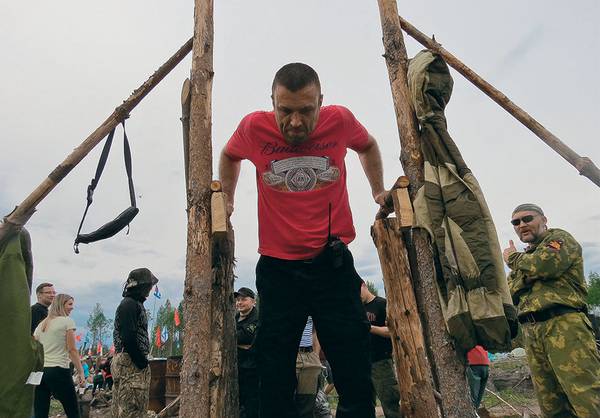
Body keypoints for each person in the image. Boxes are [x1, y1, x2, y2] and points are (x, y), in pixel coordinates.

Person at [219, 62, 384, 418]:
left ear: (321, 103)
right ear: (273, 103)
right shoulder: (253, 127)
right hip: (279, 270)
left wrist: (378, 191)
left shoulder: (340, 121)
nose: (295, 122)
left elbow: (368, 145)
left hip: (333, 265)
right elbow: (230, 155)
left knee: (353, 363)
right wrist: (227, 200)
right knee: (273, 371)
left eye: (306, 111)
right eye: (286, 111)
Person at [503, 203, 600, 417]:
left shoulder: (559, 239)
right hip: (532, 330)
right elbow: (512, 290)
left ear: (544, 220)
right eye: (516, 222)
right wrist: (527, 268)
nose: (522, 225)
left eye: (527, 219)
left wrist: (513, 258)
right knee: (551, 404)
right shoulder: (528, 257)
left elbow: (545, 265)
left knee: (585, 394)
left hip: (564, 325)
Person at [111, 268, 158, 418]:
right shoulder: (129, 304)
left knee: (128, 408)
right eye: (149, 285)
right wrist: (141, 362)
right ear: (142, 286)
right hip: (131, 363)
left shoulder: (133, 304)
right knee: (132, 408)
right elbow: (128, 337)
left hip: (129, 361)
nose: (150, 289)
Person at [33, 293, 86, 418]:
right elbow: (72, 349)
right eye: (70, 304)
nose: (72, 307)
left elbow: (35, 349)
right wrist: (81, 372)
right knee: (72, 410)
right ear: (61, 305)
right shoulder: (67, 322)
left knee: (40, 411)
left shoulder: (41, 325)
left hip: (41, 372)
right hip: (58, 369)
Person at [360, 281, 401, 418]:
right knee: (364, 404)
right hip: (362, 363)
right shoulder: (357, 308)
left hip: (381, 360)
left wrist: (370, 328)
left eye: (357, 292)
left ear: (364, 286)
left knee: (390, 402)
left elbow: (393, 331)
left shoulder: (382, 304)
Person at [235, 287, 259, 418]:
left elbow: (242, 337)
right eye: (238, 300)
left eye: (243, 299)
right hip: (237, 368)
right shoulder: (235, 317)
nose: (239, 302)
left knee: (250, 407)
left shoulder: (256, 319)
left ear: (253, 301)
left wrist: (235, 342)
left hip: (251, 370)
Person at [294, 316, 322, 418]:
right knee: (286, 402)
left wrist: (316, 354)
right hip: (290, 355)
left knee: (307, 405)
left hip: (309, 355)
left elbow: (315, 329)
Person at [465, 345, 489, 410]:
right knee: (479, 396)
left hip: (473, 364)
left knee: (473, 397)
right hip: (485, 364)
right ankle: (475, 411)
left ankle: (472, 412)